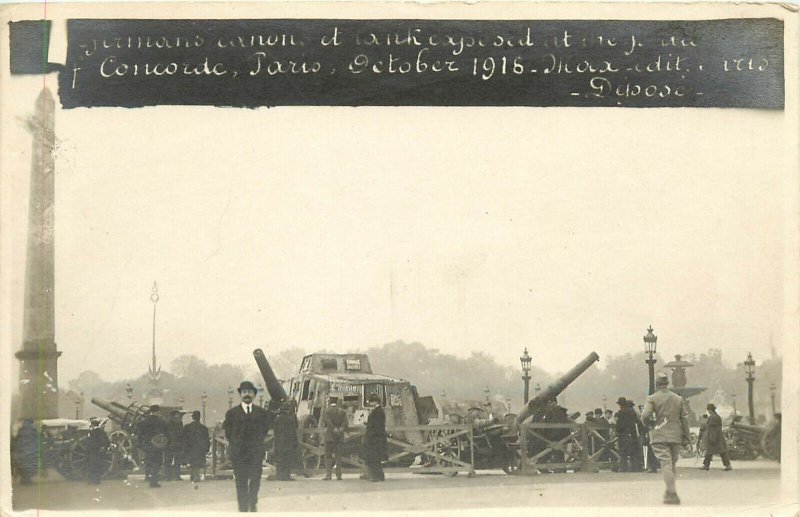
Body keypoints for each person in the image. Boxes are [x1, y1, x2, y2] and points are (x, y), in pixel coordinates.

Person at [641, 372, 691, 505]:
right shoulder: (678, 398)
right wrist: (686, 437)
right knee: (671, 464)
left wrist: (650, 425)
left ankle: (672, 493)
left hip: (659, 435)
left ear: (657, 384)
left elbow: (645, 415)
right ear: (667, 383)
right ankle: (670, 491)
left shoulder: (652, 398)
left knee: (666, 464)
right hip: (675, 436)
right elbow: (684, 419)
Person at [224, 381, 271, 512]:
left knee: (256, 479)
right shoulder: (231, 413)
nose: (247, 395)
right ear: (240, 394)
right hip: (239, 453)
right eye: (244, 392)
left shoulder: (262, 413)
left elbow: (265, 430)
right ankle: (243, 508)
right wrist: (236, 444)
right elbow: (228, 433)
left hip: (255, 452)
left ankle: (252, 501)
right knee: (241, 481)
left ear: (254, 395)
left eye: (250, 392)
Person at [137, 405, 169, 488]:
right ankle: (153, 481)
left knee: (148, 460)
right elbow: (166, 433)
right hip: (158, 444)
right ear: (158, 412)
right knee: (156, 463)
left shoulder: (144, 421)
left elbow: (139, 431)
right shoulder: (161, 422)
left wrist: (140, 443)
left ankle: (147, 476)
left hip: (147, 444)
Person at [361, 394, 388, 482]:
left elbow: (376, 425)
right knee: (376, 459)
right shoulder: (378, 410)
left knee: (375, 458)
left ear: (375, 402)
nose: (370, 403)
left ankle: (377, 476)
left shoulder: (378, 411)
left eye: (371, 401)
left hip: (375, 438)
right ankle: (378, 476)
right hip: (377, 437)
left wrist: (369, 432)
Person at [700, 403, 732, 471]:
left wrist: (712, 438)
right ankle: (728, 465)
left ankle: (706, 465)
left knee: (709, 452)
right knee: (722, 452)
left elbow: (712, 429)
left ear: (710, 410)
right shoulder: (717, 416)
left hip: (714, 436)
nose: (708, 411)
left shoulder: (712, 417)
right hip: (719, 436)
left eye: (708, 409)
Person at [322, 398, 348, 480]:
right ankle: (339, 475)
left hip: (329, 436)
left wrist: (333, 429)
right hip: (339, 436)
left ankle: (328, 475)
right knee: (338, 457)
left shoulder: (326, 411)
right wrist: (341, 429)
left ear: (330, 402)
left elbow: (327, 422)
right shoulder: (342, 411)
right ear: (336, 402)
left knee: (328, 456)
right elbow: (345, 422)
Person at [273, 399, 299, 481]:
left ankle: (279, 476)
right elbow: (293, 432)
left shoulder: (277, 419)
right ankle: (287, 476)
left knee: (279, 459)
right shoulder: (290, 419)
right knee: (287, 460)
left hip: (279, 442)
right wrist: (295, 442)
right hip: (288, 442)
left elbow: (275, 431)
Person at [181, 410, 210, 482]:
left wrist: (184, 449)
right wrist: (207, 448)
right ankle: (195, 476)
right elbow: (207, 440)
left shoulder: (187, 427)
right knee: (198, 462)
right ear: (199, 417)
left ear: (192, 417)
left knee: (193, 463)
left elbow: (184, 439)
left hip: (190, 448)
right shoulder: (204, 428)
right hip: (200, 449)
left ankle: (194, 476)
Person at [12, 419, 39, 485]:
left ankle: (25, 479)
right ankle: (27, 480)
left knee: (24, 465)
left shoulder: (20, 430)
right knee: (29, 465)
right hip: (30, 450)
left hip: (22, 451)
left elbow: (17, 441)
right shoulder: (33, 430)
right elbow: (36, 439)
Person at [615, 397, 638, 472]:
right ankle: (635, 467)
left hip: (623, 434)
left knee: (623, 452)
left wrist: (617, 431)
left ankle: (623, 468)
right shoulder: (632, 412)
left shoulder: (621, 412)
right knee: (633, 452)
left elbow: (619, 424)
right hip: (632, 433)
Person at [86, 418, 110, 485]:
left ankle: (92, 480)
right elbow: (106, 441)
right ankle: (96, 480)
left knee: (92, 466)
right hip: (99, 452)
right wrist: (103, 448)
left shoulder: (91, 432)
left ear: (92, 424)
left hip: (93, 451)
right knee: (97, 466)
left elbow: (89, 442)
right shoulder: (101, 432)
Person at [165, 410, 184, 481]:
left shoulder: (167, 423)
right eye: (176, 415)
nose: (177, 417)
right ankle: (177, 476)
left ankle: (168, 476)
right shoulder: (179, 423)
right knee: (177, 461)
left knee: (168, 461)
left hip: (169, 444)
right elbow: (181, 433)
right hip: (176, 444)